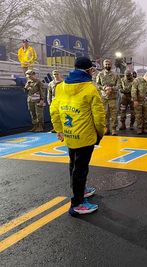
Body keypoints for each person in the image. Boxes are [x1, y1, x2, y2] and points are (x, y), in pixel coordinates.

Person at [50, 57, 106, 215]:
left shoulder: (61, 86)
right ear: (88, 70)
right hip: (85, 135)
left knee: (74, 164)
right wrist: (100, 133)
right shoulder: (90, 88)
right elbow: (99, 116)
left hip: (69, 133)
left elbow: (54, 110)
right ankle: (77, 203)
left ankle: (80, 190)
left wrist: (59, 130)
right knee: (80, 168)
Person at [96, 59, 121, 135]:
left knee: (114, 114)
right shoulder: (100, 74)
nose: (107, 65)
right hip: (104, 97)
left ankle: (114, 129)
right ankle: (106, 128)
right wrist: (104, 88)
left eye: (109, 64)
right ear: (104, 65)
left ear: (111, 65)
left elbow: (119, 85)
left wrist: (111, 89)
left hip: (113, 97)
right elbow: (97, 84)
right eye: (106, 64)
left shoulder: (116, 75)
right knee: (105, 114)